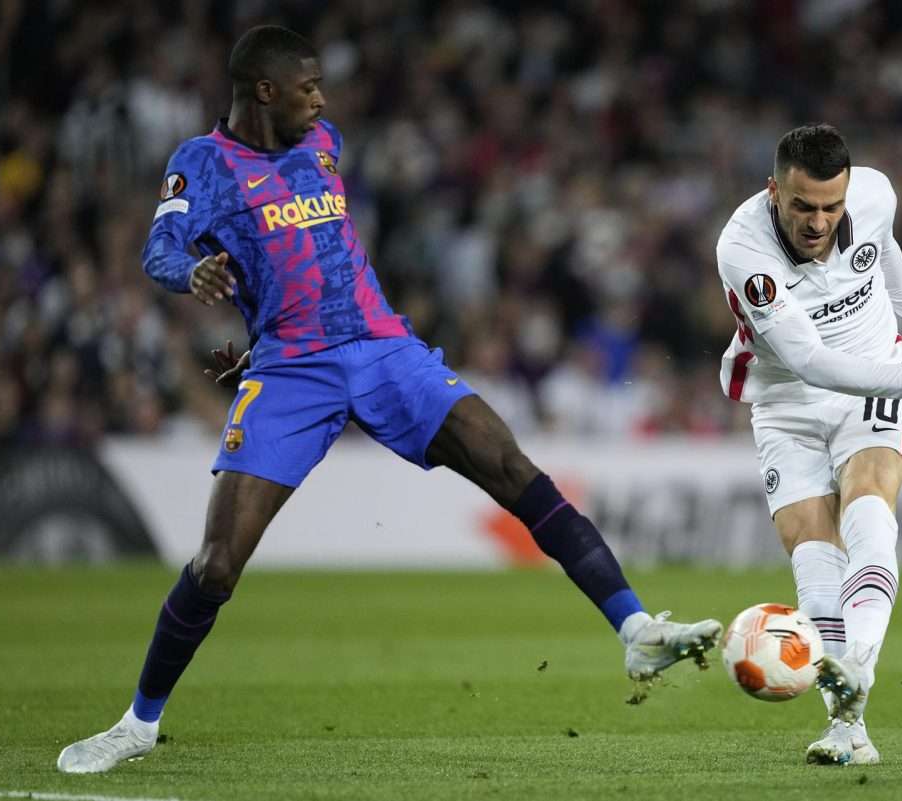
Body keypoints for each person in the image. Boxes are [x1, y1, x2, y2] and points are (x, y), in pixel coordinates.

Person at [56, 25, 722, 774]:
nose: (322, 100)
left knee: (512, 466)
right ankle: (138, 724)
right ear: (265, 92)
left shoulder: (323, 143)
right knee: (216, 566)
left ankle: (635, 630)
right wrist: (194, 273)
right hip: (292, 369)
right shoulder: (203, 163)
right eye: (308, 88)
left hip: (384, 348)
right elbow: (159, 250)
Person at [715, 124, 902, 765]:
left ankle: (855, 676)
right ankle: (847, 728)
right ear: (775, 191)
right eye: (803, 206)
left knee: (869, 507)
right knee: (814, 553)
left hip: (872, 378)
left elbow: (884, 247)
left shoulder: (874, 194)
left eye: (831, 207)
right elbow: (809, 362)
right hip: (786, 399)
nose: (818, 221)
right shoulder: (744, 249)